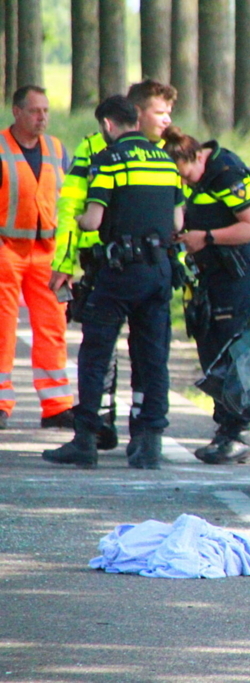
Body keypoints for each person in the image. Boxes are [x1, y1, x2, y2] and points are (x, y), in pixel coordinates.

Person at [42, 95, 184, 469]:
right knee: (153, 357)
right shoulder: (166, 161)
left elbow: (91, 219)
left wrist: (82, 231)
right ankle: (149, 443)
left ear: (107, 125)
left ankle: (86, 440)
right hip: (159, 272)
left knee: (96, 353)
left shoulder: (109, 158)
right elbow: (179, 223)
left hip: (120, 272)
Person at [162, 126, 250, 465]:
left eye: (186, 175)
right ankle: (226, 428)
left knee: (229, 347)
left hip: (239, 271)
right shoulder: (184, 174)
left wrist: (205, 237)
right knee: (209, 344)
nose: (186, 182)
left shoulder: (227, 172)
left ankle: (239, 433)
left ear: (195, 157)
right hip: (210, 273)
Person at [0, 85, 73, 431]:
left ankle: (57, 405)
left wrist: (70, 257)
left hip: (48, 252)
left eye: (45, 110)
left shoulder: (58, 150)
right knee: (2, 328)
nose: (42, 117)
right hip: (6, 249)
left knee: (53, 327)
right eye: (34, 111)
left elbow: (71, 204)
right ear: (16, 112)